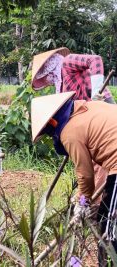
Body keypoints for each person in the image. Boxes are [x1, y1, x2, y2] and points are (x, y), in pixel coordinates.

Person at [31, 91, 117, 265]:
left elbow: (85, 174)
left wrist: (81, 202)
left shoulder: (69, 132)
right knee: (104, 216)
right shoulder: (89, 107)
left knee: (109, 228)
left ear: (52, 123)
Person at [31, 47, 114, 205]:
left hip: (100, 113)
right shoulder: (60, 87)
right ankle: (93, 206)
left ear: (49, 66)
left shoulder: (67, 63)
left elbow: (95, 60)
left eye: (45, 76)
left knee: (101, 165)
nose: (47, 80)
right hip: (83, 125)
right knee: (89, 165)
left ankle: (95, 208)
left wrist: (95, 93)